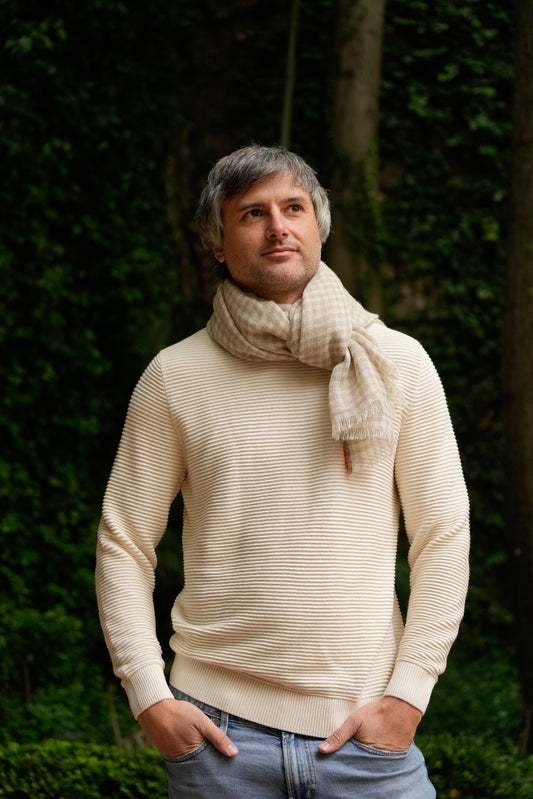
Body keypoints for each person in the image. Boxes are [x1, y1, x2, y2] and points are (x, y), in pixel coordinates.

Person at [96, 144, 469, 798]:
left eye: (293, 208)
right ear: (216, 244)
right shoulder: (174, 376)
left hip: (366, 736)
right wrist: (149, 695)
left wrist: (409, 693)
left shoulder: (396, 363)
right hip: (218, 740)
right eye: (252, 213)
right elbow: (124, 542)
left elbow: (442, 534)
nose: (277, 227)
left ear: (318, 227)